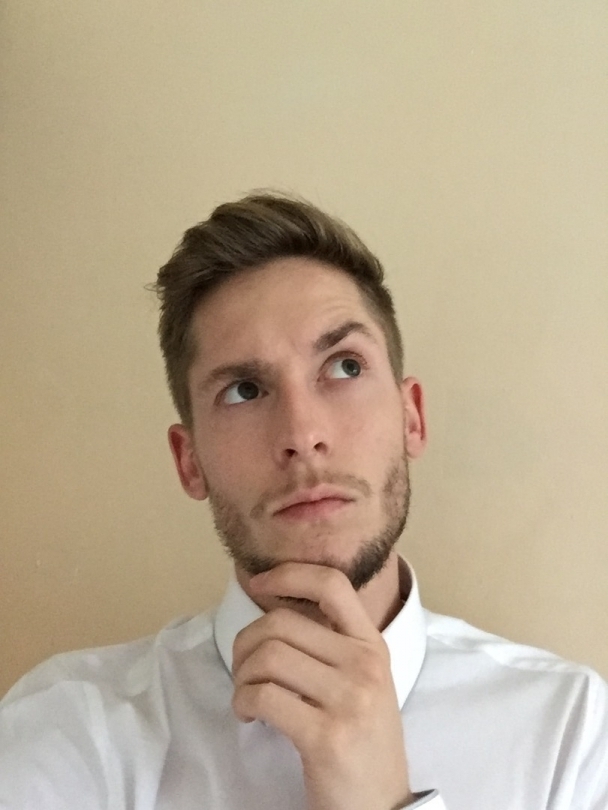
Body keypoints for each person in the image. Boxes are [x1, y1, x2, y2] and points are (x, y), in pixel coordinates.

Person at [1, 192, 607, 810]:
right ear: (190, 461)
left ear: (412, 418)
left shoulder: (574, 737)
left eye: (344, 367)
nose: (302, 433)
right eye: (244, 390)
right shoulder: (67, 732)